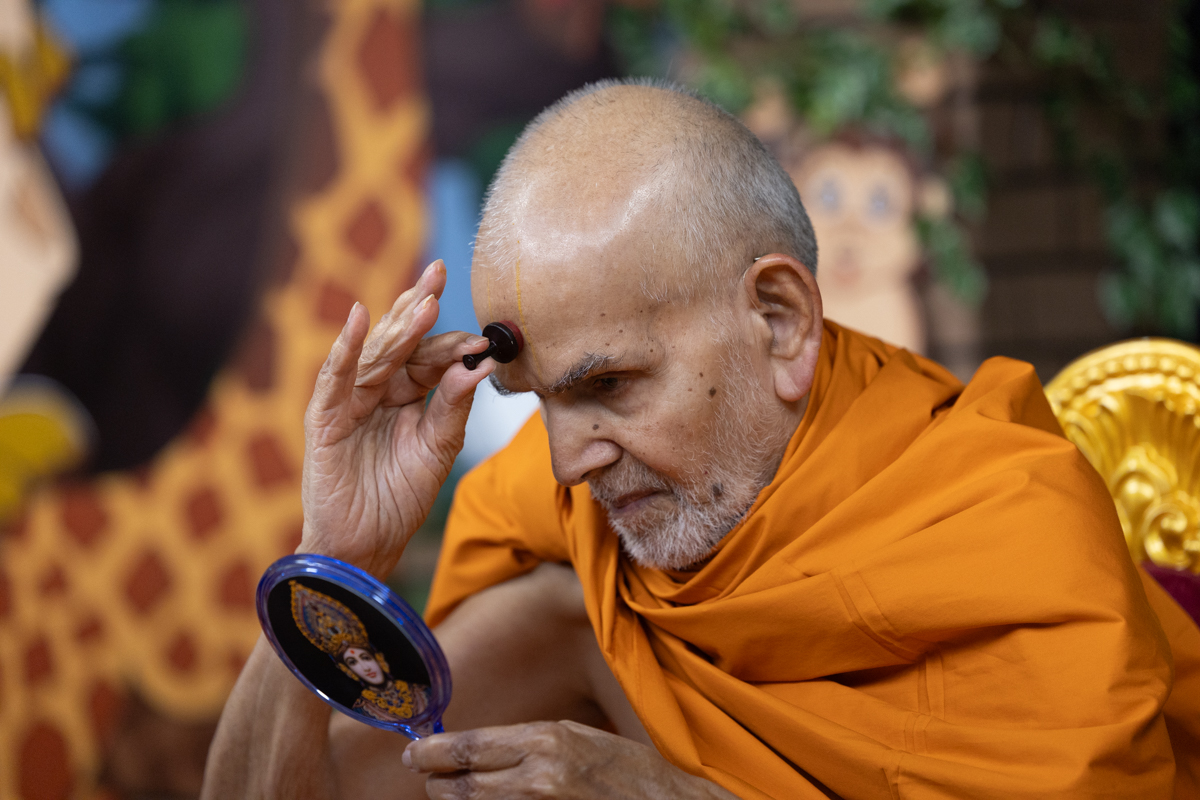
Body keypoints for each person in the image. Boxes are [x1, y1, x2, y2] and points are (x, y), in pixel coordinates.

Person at [201, 79, 1200, 799]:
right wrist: (331, 559)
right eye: (542, 401)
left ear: (780, 321)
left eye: (609, 385)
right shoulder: (574, 571)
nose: (568, 462)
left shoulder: (1005, 528)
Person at [289, 581, 430, 724]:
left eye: (365, 658)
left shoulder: (420, 692)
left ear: (378, 658)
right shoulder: (361, 710)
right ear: (347, 670)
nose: (365, 667)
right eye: (353, 662)